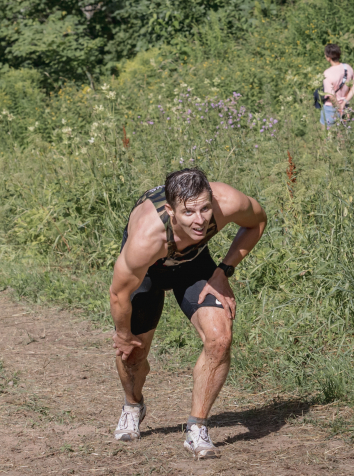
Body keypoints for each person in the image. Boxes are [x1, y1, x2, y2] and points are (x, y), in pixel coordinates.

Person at [109, 168, 266, 459]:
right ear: (170, 211)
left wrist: (224, 271)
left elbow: (257, 222)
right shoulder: (145, 239)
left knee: (220, 340)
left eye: (205, 209)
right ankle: (133, 404)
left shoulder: (228, 202)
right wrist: (123, 334)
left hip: (194, 264)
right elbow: (118, 294)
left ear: (212, 199)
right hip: (149, 271)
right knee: (133, 354)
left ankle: (197, 428)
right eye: (189, 212)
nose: (200, 220)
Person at [319, 44, 354, 128]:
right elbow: (353, 88)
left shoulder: (327, 73)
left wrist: (339, 108)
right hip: (345, 106)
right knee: (343, 133)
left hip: (330, 108)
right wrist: (344, 104)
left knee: (326, 133)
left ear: (328, 58)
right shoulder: (348, 67)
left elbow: (331, 96)